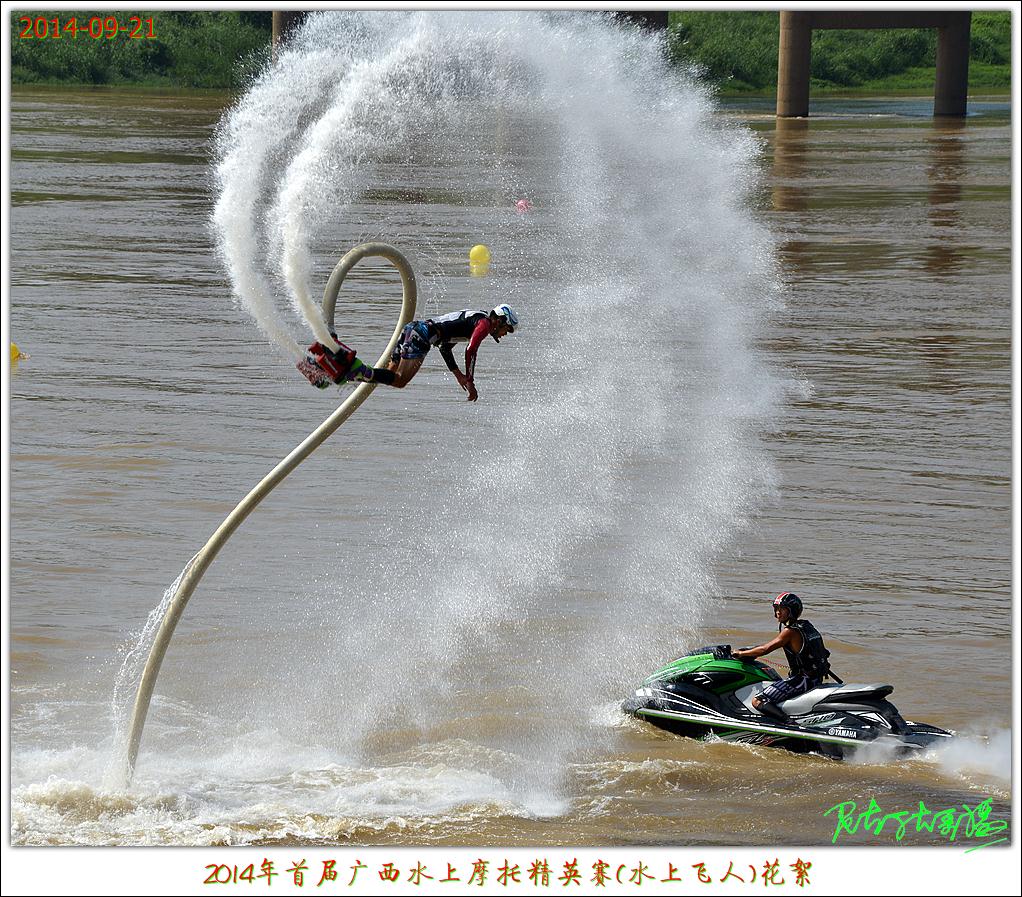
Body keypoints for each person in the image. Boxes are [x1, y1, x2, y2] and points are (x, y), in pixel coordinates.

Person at [299, 304, 519, 402]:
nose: (505, 334)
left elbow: (444, 347)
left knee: (386, 375)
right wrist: (470, 380)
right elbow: (471, 350)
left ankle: (330, 368)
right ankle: (352, 367)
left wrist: (458, 376)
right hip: (421, 335)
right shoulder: (482, 323)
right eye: (506, 329)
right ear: (499, 320)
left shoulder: (475, 322)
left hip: (412, 329)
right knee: (400, 380)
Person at [732, 592, 832, 723]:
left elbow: (765, 649)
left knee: (758, 700)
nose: (778, 612)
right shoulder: (806, 625)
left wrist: (740, 654)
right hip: (815, 678)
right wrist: (750, 651)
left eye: (782, 609)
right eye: (776, 609)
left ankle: (789, 724)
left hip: (802, 680)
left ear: (791, 611)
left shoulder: (790, 632)